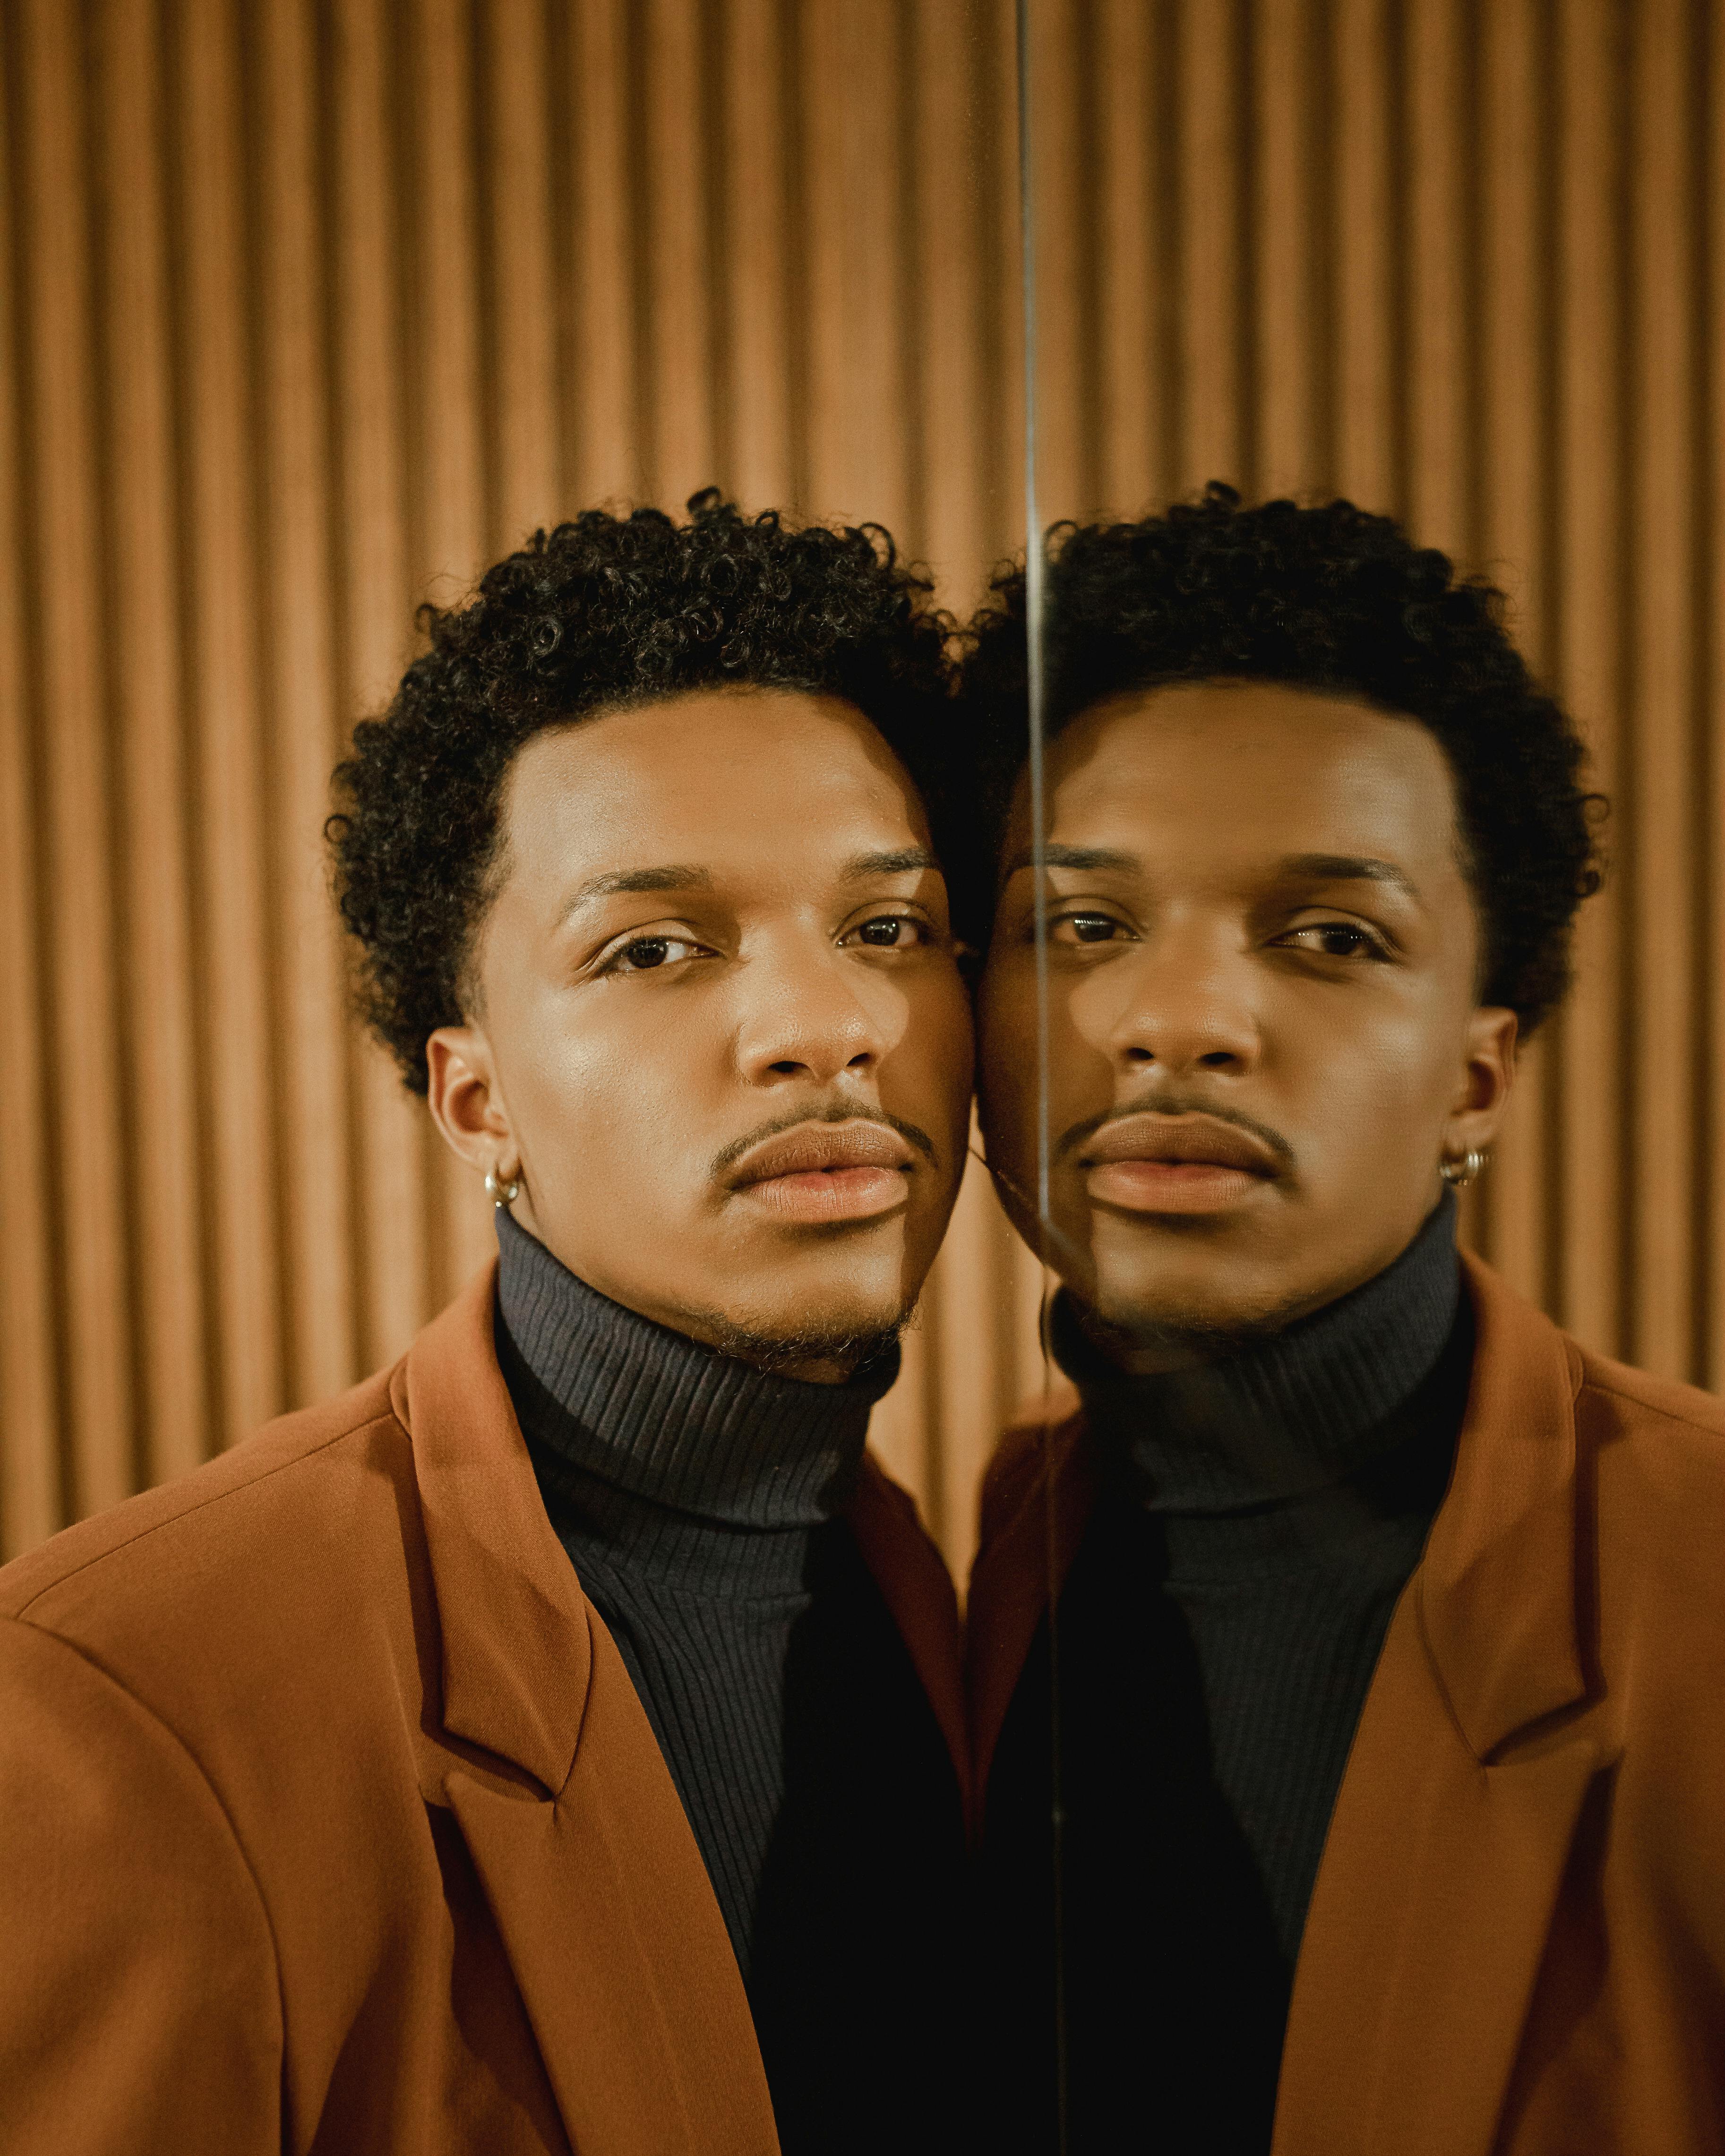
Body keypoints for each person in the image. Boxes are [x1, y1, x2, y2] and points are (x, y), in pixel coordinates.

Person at [0, 494, 976, 2156]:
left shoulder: (942, 1573)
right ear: (478, 1099)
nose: (823, 1023)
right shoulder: (121, 1697)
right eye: (653, 947)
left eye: (886, 928)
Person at [958, 485, 1725, 2155]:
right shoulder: (1021, 1523)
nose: (1181, 1022)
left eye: (1329, 935)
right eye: (1082, 924)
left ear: (1475, 1075)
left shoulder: (1697, 1567)